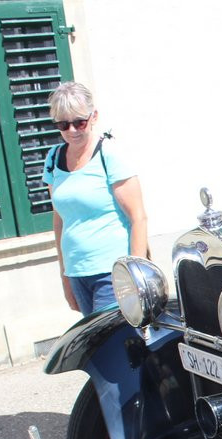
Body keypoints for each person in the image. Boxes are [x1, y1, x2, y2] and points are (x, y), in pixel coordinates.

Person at [43, 82, 149, 315]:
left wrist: (135, 275)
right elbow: (60, 219)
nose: (72, 130)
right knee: (93, 346)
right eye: (63, 124)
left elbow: (138, 217)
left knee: (111, 342)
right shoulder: (53, 158)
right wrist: (64, 274)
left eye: (79, 122)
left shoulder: (108, 154)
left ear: (93, 117)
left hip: (113, 272)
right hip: (77, 271)